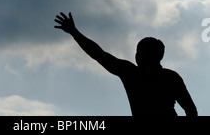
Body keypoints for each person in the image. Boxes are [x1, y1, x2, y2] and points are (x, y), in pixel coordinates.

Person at [54, 12, 198, 116]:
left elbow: (98, 54)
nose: (136, 55)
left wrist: (74, 32)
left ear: (143, 55)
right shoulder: (170, 77)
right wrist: (74, 32)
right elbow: (191, 110)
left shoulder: (131, 73)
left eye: (139, 51)